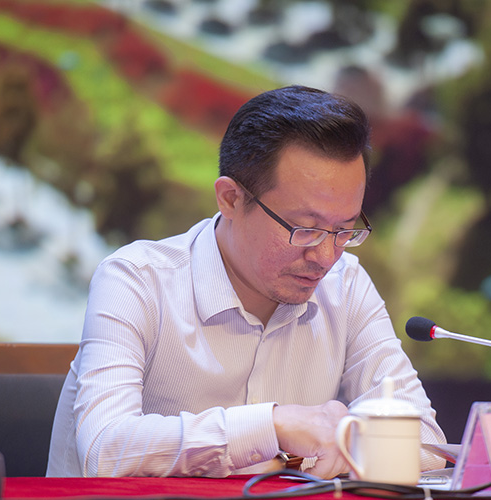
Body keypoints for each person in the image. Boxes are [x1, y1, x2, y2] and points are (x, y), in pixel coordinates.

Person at [47, 85, 447, 478]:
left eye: (344, 229)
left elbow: (427, 443)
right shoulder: (137, 280)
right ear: (231, 199)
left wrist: (342, 448)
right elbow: (105, 449)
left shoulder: (348, 286)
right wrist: (272, 425)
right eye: (305, 229)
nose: (326, 257)